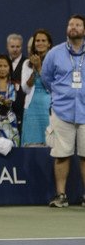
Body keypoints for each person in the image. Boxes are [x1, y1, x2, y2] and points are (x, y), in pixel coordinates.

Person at [41, 15, 85, 208]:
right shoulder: (54, 53)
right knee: (61, 154)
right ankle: (61, 196)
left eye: (78, 25)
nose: (73, 27)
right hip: (61, 111)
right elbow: (46, 78)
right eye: (70, 24)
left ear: (84, 30)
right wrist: (61, 94)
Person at [21, 29, 53, 147]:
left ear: (49, 44)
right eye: (37, 40)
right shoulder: (27, 63)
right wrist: (34, 71)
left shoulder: (55, 62)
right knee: (31, 145)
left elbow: (51, 87)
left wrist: (39, 68)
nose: (40, 43)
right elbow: (25, 88)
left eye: (43, 40)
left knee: (49, 144)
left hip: (49, 108)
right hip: (31, 108)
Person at [0, 54, 20, 146]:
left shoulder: (16, 85)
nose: (2, 69)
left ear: (10, 67)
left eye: (5, 66)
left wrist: (10, 103)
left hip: (12, 126)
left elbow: (20, 106)